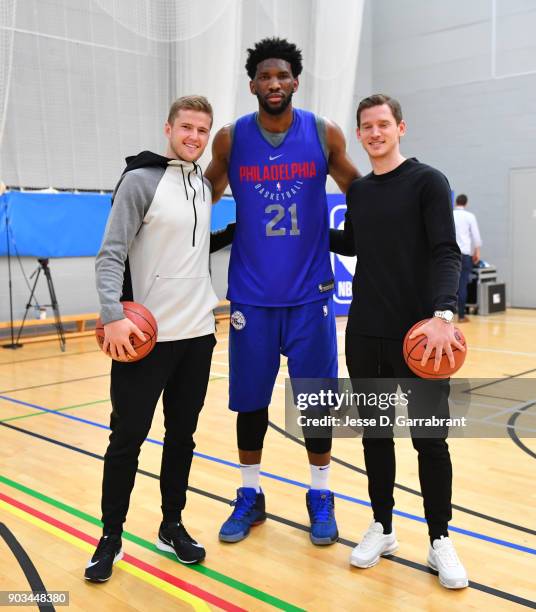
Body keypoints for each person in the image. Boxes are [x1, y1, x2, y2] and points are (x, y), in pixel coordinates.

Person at [205, 37, 359, 546]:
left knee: (316, 402)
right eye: (265, 77)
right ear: (253, 85)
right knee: (250, 403)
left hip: (310, 295)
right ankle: (250, 495)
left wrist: (371, 235)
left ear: (295, 81)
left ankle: (321, 494)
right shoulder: (230, 139)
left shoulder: (323, 132)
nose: (274, 84)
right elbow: (199, 195)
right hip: (251, 296)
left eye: (283, 76)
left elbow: (362, 189)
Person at [86, 95, 228, 582]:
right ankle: (110, 536)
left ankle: (171, 525)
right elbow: (110, 254)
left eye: (202, 131)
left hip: (198, 336)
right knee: (126, 439)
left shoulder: (205, 186)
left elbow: (192, 246)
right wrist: (112, 315)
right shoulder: (141, 180)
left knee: (182, 438)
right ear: (168, 127)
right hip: (144, 340)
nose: (194, 137)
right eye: (186, 127)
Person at [331, 94, 468, 589]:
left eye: (382, 124)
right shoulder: (361, 192)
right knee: (376, 436)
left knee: (431, 441)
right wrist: (305, 232)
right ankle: (383, 526)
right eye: (366, 126)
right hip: (366, 333)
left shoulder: (428, 182)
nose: (374, 133)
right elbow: (356, 243)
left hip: (421, 337)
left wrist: (442, 314)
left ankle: (439, 539)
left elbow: (446, 251)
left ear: (400, 128)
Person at [453, 194, 482, 322]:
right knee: (462, 284)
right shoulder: (470, 216)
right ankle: (461, 316)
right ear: (466, 203)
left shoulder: (450, 214)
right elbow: (476, 236)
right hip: (464, 254)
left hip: (449, 255)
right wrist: (477, 252)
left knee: (448, 284)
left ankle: (444, 316)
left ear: (456, 202)